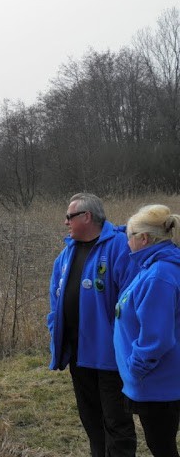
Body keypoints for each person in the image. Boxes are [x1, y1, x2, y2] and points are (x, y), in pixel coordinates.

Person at [48, 193, 137, 456]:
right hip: (78, 354)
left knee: (116, 423)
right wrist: (55, 328)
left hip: (109, 356)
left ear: (86, 217)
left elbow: (131, 302)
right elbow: (55, 299)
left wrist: (121, 343)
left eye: (69, 216)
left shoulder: (120, 246)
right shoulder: (66, 253)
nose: (65, 222)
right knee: (91, 421)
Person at [113, 205, 180, 457]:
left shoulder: (159, 275)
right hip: (160, 381)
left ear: (144, 239)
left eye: (130, 236)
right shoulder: (155, 268)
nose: (126, 242)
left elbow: (157, 338)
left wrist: (135, 369)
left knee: (162, 448)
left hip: (158, 383)